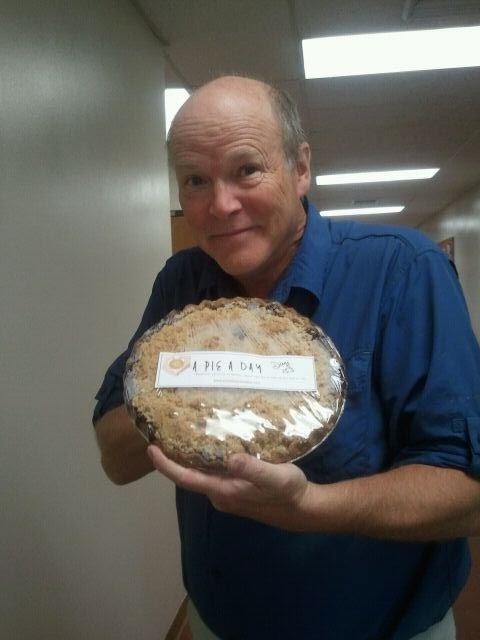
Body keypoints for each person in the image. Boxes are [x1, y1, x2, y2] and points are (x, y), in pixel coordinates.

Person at [93, 76, 480, 640]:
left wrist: (311, 507)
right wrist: (189, 382)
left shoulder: (403, 269)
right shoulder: (183, 281)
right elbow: (116, 459)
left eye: (247, 169)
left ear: (300, 169)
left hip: (381, 627)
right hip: (219, 621)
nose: (221, 205)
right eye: (195, 180)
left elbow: (467, 493)